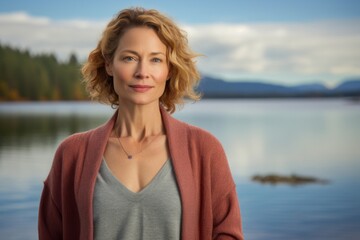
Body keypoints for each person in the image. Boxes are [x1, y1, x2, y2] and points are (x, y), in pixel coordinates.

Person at [38, 7, 244, 240]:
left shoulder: (204, 149)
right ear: (109, 65)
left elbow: (228, 233)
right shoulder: (72, 154)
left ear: (169, 70)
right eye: (129, 58)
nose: (142, 72)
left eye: (156, 59)